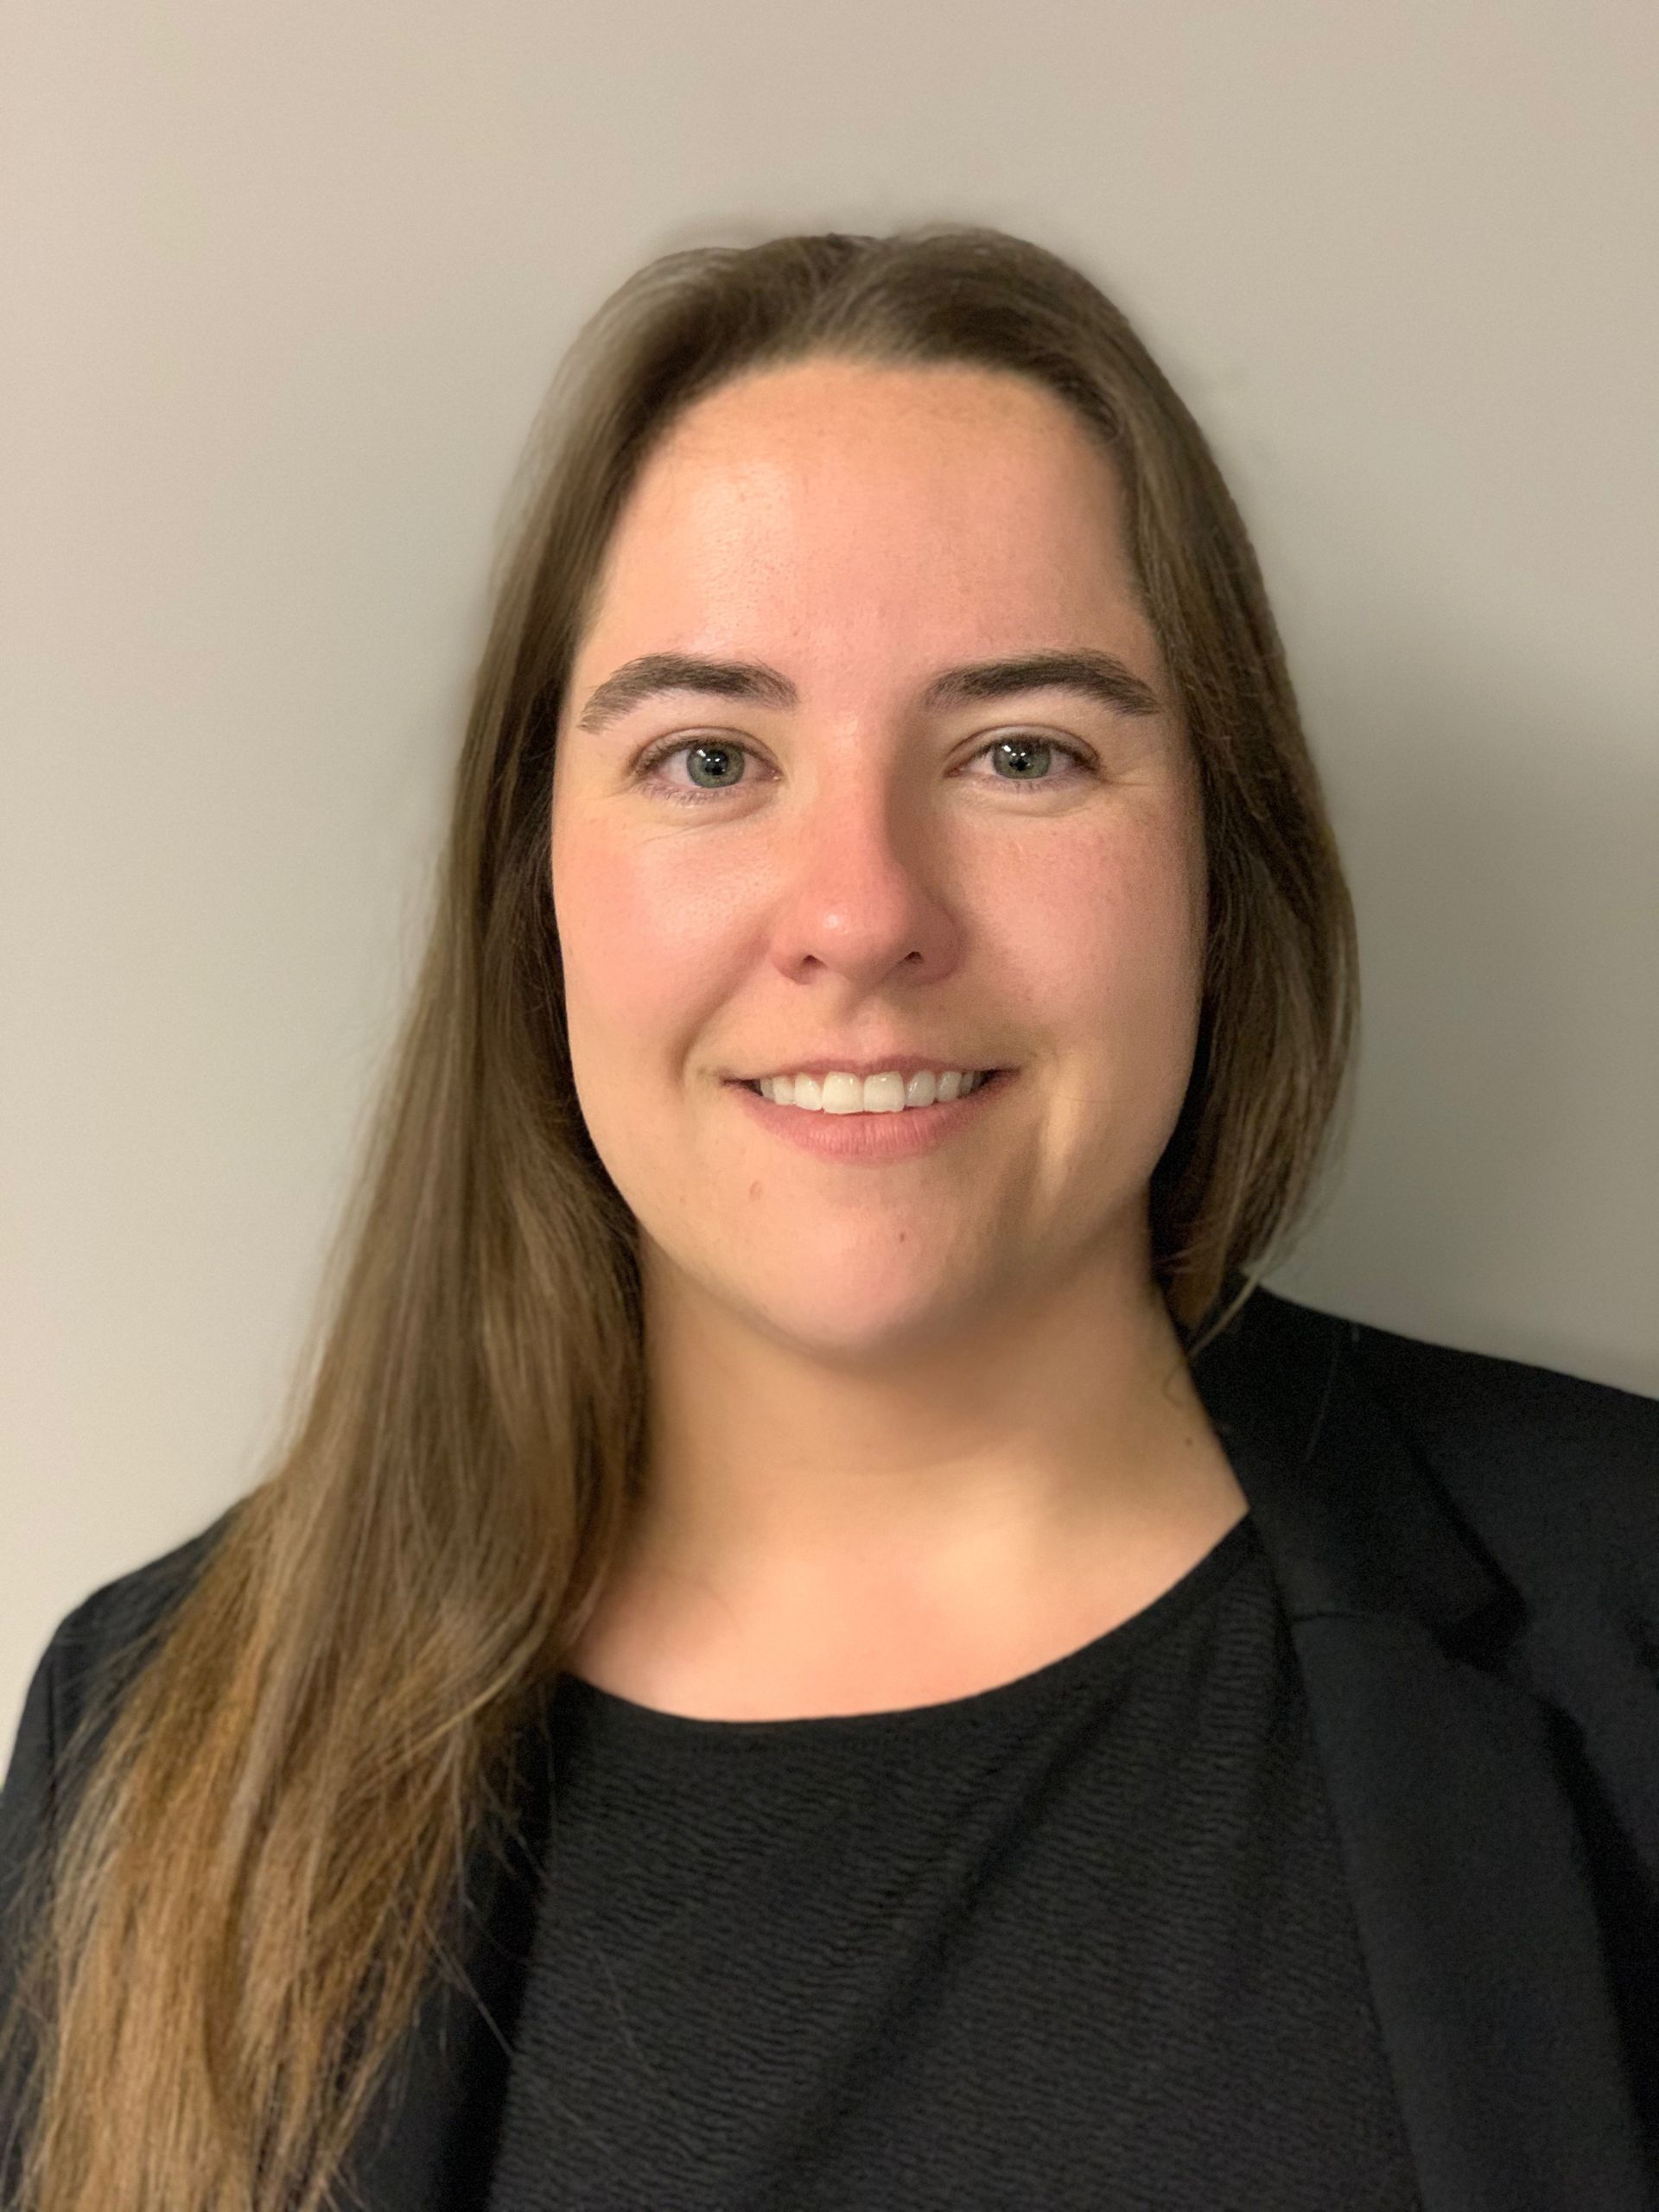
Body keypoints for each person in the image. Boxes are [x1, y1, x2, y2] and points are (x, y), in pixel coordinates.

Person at [1, 224, 1655, 2212]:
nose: (864, 909)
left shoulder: (1628, 1611)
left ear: (1227, 859)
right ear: (535, 884)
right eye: (710, 756)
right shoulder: (154, 1732)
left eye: (1022, 751)